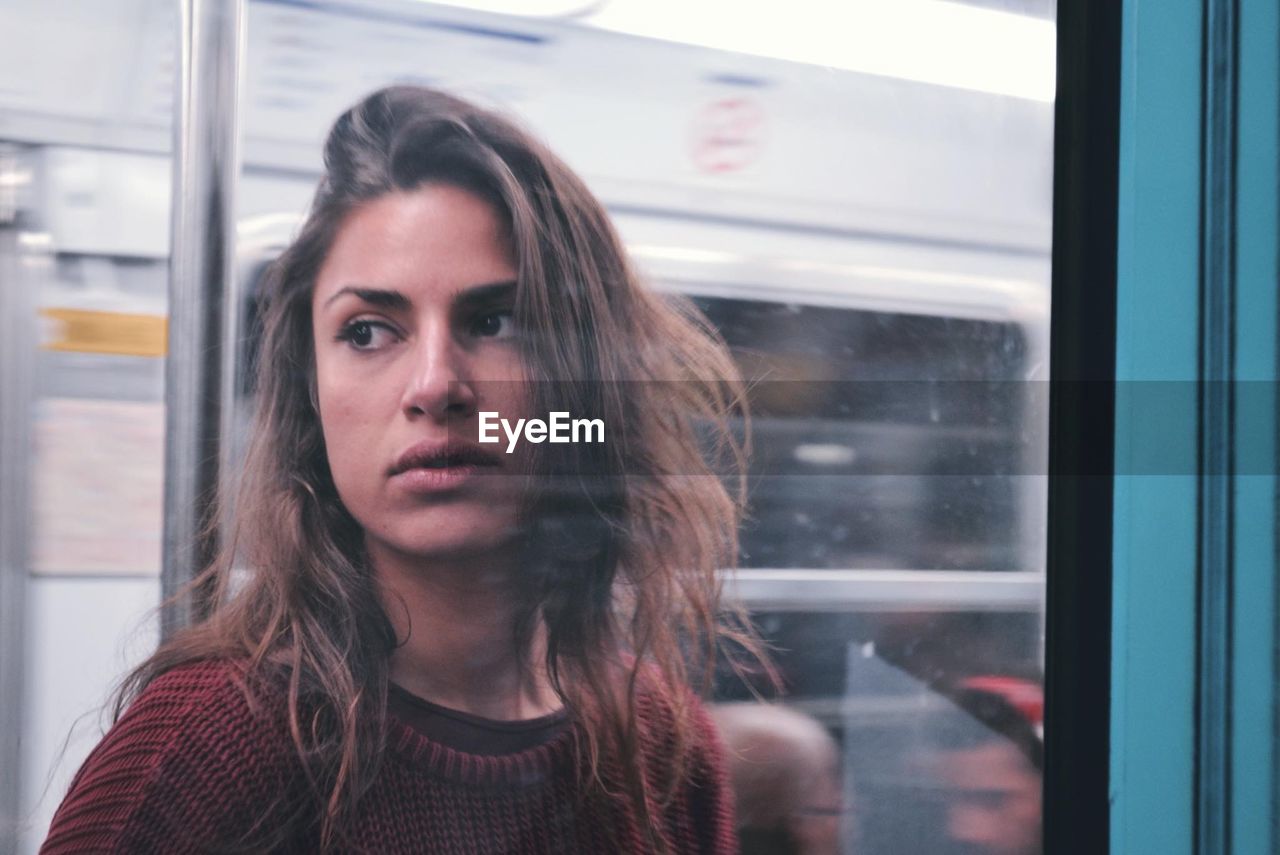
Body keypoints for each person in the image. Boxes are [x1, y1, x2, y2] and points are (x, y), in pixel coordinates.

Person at [40, 86, 764, 854]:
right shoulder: (206, 751)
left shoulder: (662, 749)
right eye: (367, 331)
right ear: (311, 400)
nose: (434, 386)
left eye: (496, 322)